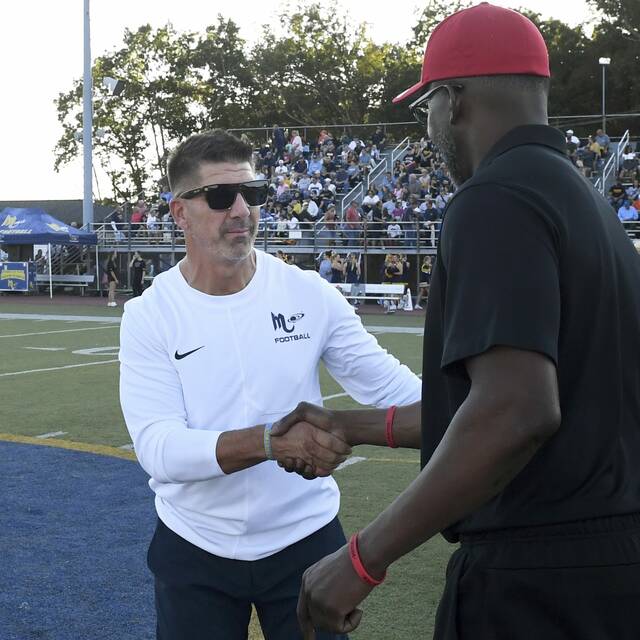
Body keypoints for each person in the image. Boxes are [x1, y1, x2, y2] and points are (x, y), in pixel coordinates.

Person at [274, 4, 640, 638]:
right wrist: (350, 425)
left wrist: (362, 558)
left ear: (455, 99)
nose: (430, 129)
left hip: (538, 582)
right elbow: (516, 401)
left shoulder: (493, 199)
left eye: (429, 109)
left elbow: (516, 410)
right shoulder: (584, 201)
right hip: (612, 569)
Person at [118, 129, 421, 640]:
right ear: (178, 213)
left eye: (252, 193)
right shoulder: (150, 314)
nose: (241, 209)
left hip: (306, 542)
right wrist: (269, 442)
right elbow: (159, 449)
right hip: (195, 545)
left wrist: (482, 402)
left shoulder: (308, 293)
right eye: (219, 197)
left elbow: (399, 393)